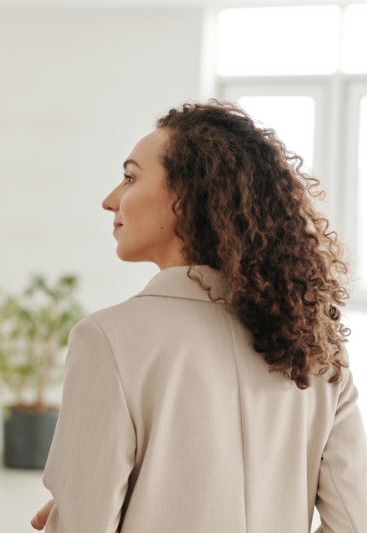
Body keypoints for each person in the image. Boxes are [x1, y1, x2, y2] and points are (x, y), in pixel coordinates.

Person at [31, 101, 367, 532]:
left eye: (130, 177)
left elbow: (85, 525)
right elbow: (355, 520)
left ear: (185, 200)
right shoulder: (315, 346)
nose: (110, 200)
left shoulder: (107, 339)